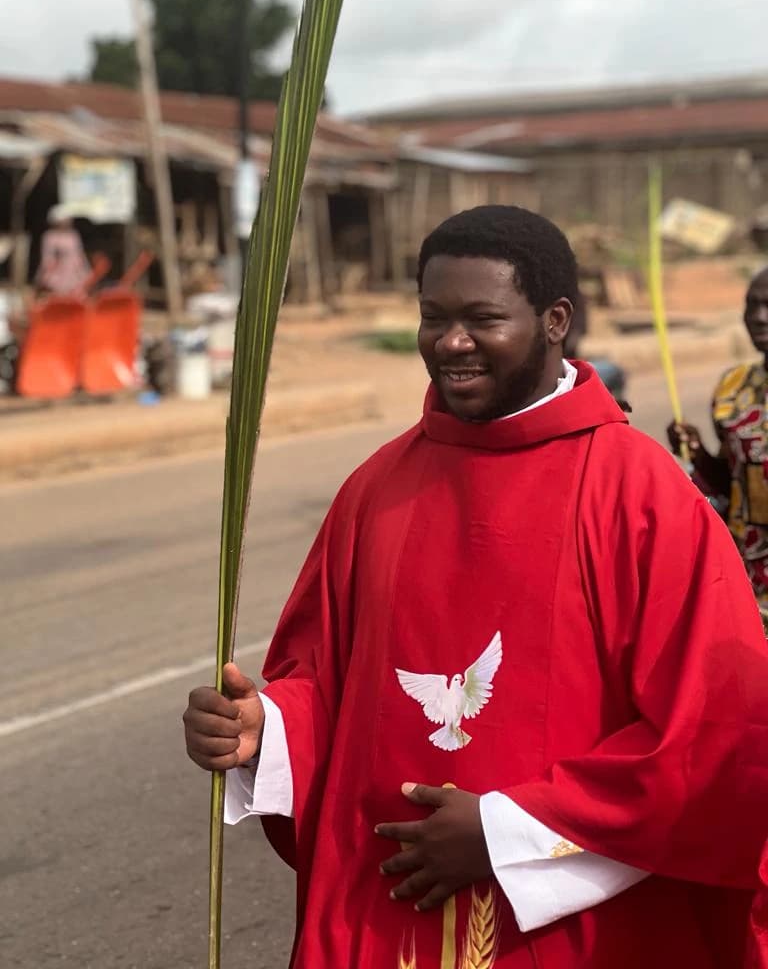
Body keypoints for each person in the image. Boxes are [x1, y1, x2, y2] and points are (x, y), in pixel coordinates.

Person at [184, 206, 768, 968]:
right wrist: (266, 729)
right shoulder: (377, 488)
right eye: (433, 318)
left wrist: (504, 831)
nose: (450, 343)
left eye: (482, 319)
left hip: (576, 926)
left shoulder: (639, 492)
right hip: (391, 902)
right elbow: (331, 684)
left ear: (555, 319)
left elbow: (713, 729)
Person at [668, 267, 768, 628]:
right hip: (749, 577)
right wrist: (696, 454)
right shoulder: (734, 388)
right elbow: (731, 483)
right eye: (751, 305)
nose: (758, 317)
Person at [34, 205, 91, 299]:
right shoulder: (49, 236)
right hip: (56, 273)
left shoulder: (73, 235)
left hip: (73, 273)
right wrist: (46, 274)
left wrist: (84, 271)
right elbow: (47, 257)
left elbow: (79, 254)